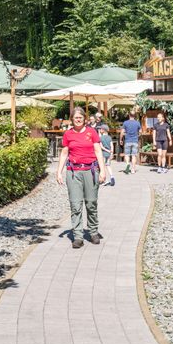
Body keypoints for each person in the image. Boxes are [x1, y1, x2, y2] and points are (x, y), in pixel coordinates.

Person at [57, 107, 106, 249]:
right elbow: (64, 153)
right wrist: (59, 172)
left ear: (85, 119)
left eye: (80, 117)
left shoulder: (92, 132)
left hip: (90, 171)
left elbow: (98, 151)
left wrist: (102, 171)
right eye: (75, 117)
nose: (78, 119)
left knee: (91, 203)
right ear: (72, 119)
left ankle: (93, 231)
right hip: (73, 172)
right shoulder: (68, 134)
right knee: (75, 204)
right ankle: (78, 236)